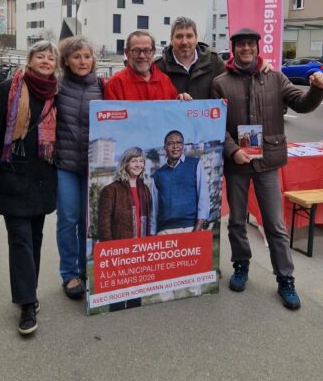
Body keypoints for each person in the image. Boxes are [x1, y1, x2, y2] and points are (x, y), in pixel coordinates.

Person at [211, 27, 323, 310]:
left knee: (275, 225)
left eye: (251, 44)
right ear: (234, 48)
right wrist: (233, 150)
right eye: (241, 45)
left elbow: (301, 105)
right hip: (237, 163)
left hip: (268, 162)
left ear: (257, 47)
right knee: (237, 221)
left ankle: (285, 279)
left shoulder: (275, 77)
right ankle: (241, 265)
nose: (246, 49)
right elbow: (217, 123)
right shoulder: (221, 82)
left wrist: (317, 88)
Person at [0, 41, 59, 336]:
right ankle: (26, 303)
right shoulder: (7, 90)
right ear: (30, 59)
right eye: (40, 56)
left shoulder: (57, 93)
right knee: (20, 239)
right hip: (11, 176)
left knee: (34, 237)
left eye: (51, 57)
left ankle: (29, 292)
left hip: (43, 177)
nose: (46, 61)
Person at [56, 37, 105, 299]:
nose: (82, 61)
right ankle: (69, 273)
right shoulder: (57, 85)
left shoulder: (102, 85)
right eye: (76, 57)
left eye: (86, 56)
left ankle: (87, 267)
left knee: (89, 222)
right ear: (66, 61)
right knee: (68, 219)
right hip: (64, 164)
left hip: (92, 165)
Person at [98, 147, 151, 310]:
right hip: (119, 251)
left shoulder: (145, 189)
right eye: (134, 160)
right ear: (125, 163)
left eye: (141, 161)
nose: (138, 164)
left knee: (136, 296)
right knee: (118, 298)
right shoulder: (111, 190)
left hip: (140, 250)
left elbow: (149, 219)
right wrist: (110, 249)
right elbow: (104, 224)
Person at [150, 130, 210, 233]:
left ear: (183, 146)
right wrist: (153, 234)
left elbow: (203, 198)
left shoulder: (195, 164)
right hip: (164, 231)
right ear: (165, 148)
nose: (175, 146)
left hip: (191, 228)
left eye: (179, 142)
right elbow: (154, 209)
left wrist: (197, 228)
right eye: (170, 143)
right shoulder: (157, 175)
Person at [154, 17, 226, 97]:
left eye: (189, 36)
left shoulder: (215, 62)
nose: (184, 42)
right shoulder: (157, 68)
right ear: (171, 39)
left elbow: (227, 93)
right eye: (179, 36)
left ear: (196, 39)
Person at [104, 30, 185, 101]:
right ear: (127, 53)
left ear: (153, 52)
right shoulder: (115, 84)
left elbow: (173, 114)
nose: (142, 56)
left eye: (147, 50)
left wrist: (181, 101)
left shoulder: (165, 81)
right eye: (136, 50)